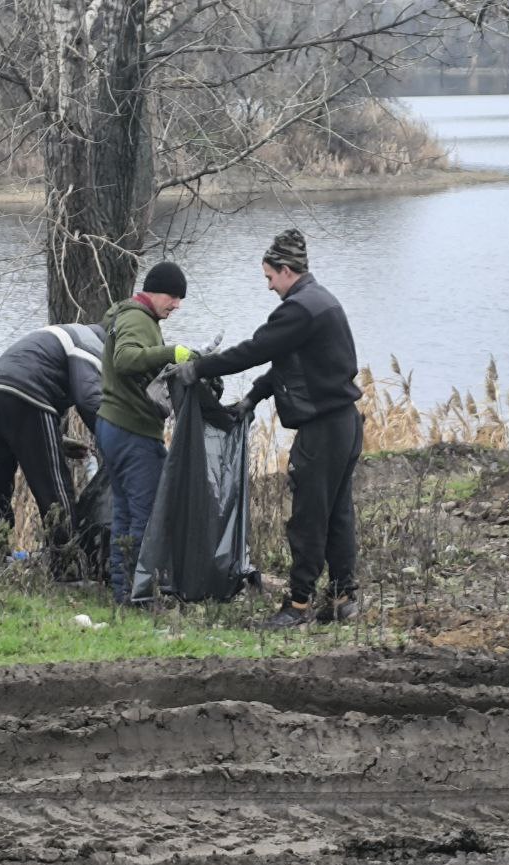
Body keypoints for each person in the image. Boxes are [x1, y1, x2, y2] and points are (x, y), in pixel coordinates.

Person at [173, 229, 363, 627]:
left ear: (287, 270)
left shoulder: (298, 309)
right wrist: (253, 398)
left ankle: (298, 605)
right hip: (346, 423)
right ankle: (344, 596)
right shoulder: (321, 301)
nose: (269, 286)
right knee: (337, 513)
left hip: (322, 431)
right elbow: (286, 364)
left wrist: (199, 368)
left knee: (309, 517)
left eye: (270, 277)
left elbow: (256, 350)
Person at [95, 261, 194, 604]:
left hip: (114, 426)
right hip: (131, 431)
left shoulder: (133, 316)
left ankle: (123, 590)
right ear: (155, 291)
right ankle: (140, 595)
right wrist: (171, 352)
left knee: (123, 514)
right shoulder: (138, 319)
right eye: (173, 297)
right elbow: (125, 359)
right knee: (146, 515)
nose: (176, 305)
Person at [0, 322, 106, 575]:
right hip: (28, 393)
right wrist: (113, 438)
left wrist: (58, 440)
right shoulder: (91, 346)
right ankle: (66, 564)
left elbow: (37, 374)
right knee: (55, 488)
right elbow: (87, 398)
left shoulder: (60, 334)